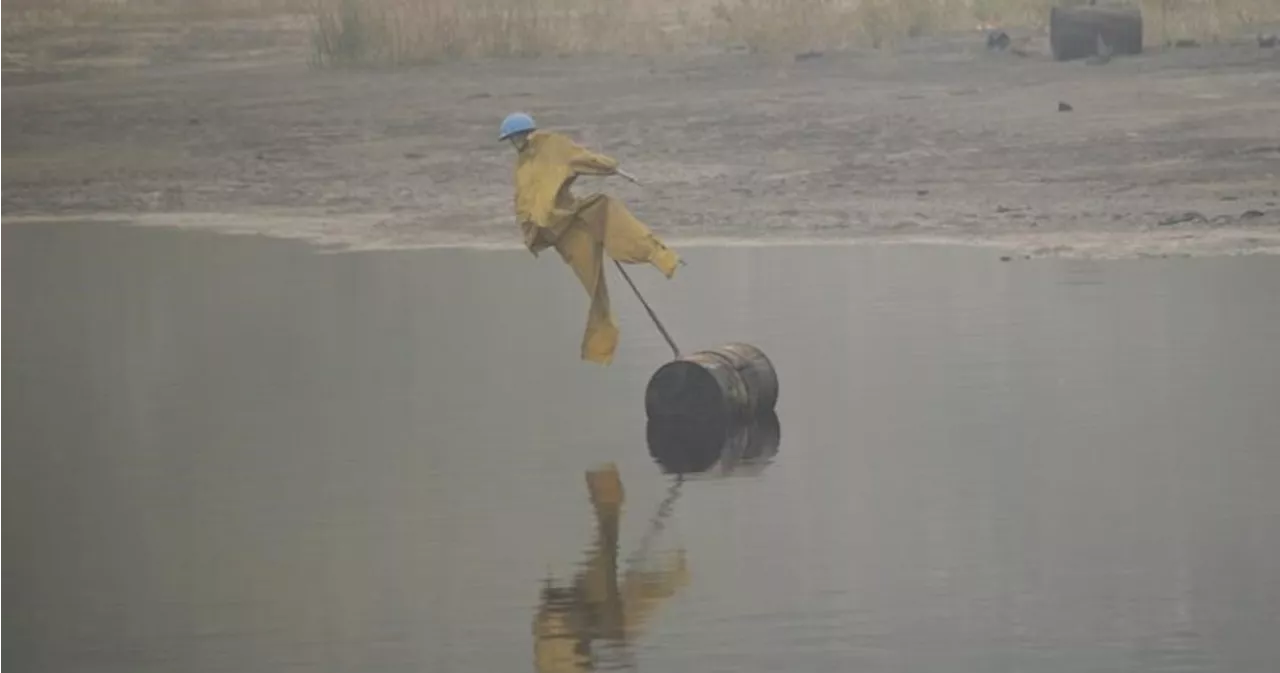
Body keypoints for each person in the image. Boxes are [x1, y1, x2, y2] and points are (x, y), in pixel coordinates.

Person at [500, 112, 681, 365]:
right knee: (594, 286)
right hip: (560, 231)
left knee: (607, 210)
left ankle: (662, 257)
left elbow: (585, 159)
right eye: (511, 138)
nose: (515, 142)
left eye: (517, 136)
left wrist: (611, 167)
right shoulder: (522, 165)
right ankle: (600, 347)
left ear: (528, 132)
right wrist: (531, 232)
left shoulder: (555, 146)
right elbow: (523, 203)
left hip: (576, 216)